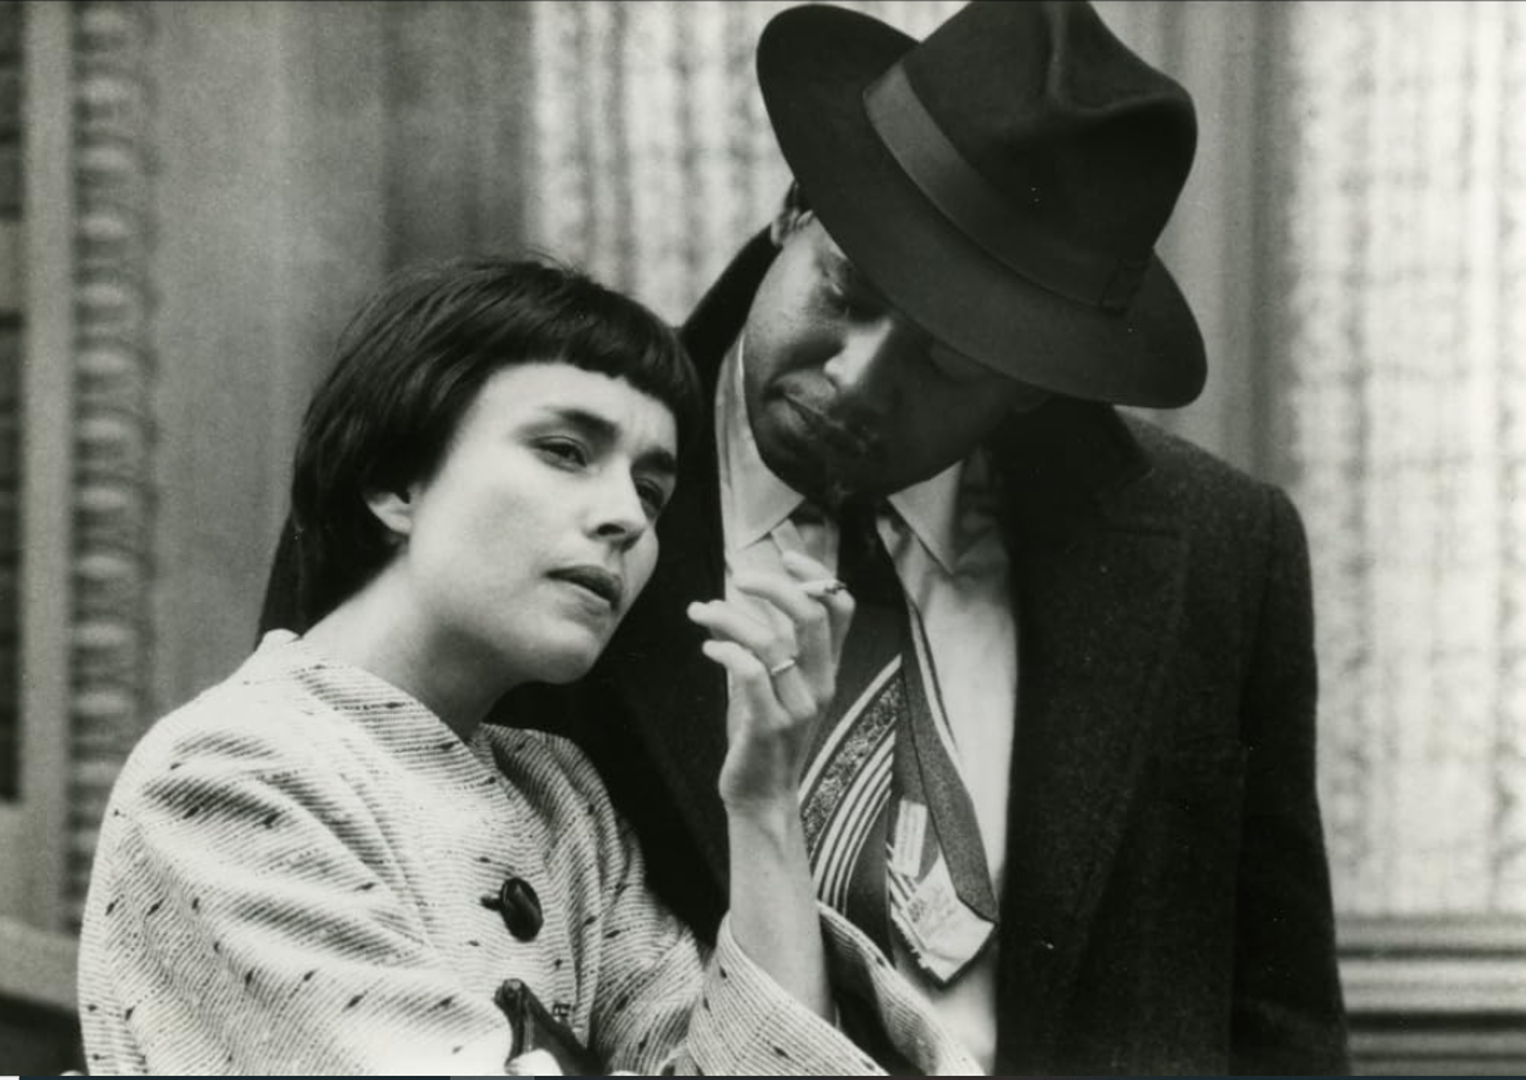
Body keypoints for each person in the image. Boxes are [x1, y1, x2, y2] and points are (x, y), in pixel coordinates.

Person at [259, 2, 1351, 1074]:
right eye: (847, 289)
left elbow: (1279, 1026)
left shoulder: (1219, 551)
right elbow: (318, 836)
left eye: (950, 359)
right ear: (793, 209)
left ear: (1035, 382)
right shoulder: (484, 484)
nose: (858, 378)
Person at [79, 256, 981, 1075]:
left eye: (652, 491)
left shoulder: (564, 803)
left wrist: (765, 804)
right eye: (565, 451)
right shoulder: (228, 777)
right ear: (395, 482)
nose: (625, 517)